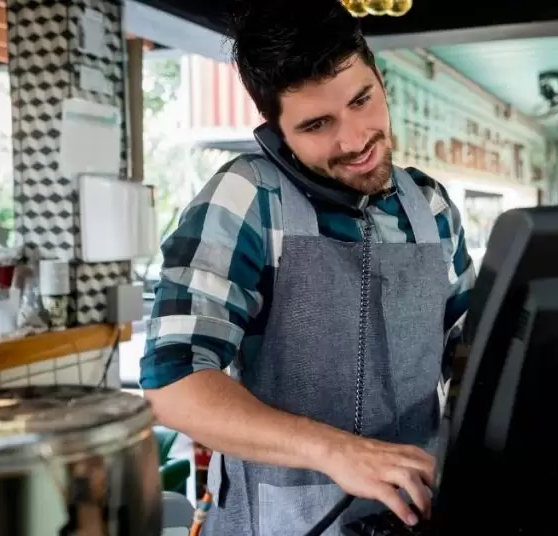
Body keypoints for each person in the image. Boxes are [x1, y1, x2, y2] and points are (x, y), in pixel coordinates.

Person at [139, 2, 475, 534]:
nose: (355, 139)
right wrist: (336, 451)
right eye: (317, 124)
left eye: (362, 100)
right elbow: (174, 381)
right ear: (275, 131)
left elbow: (474, 354)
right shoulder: (246, 198)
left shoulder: (430, 208)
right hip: (279, 523)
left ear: (378, 79)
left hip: (414, 514)